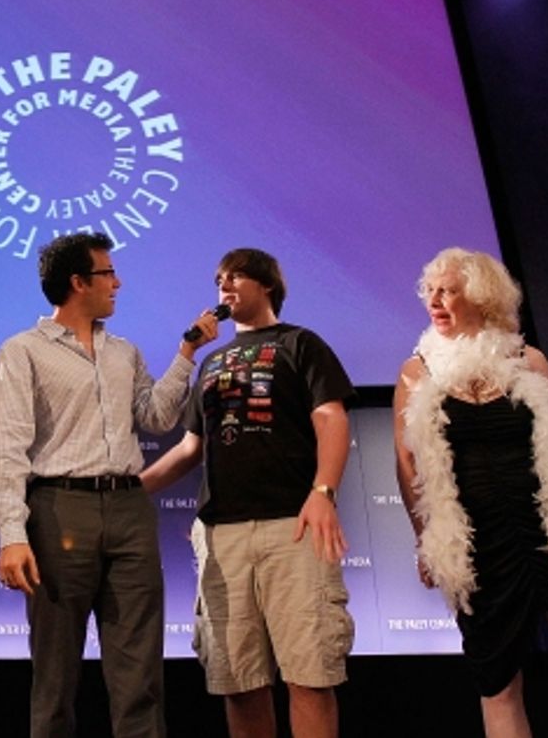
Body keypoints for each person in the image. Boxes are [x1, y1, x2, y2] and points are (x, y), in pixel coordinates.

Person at [393, 247, 548, 738]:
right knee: (500, 686)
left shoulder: (529, 360)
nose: (436, 299)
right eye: (431, 290)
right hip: (477, 540)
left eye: (449, 289)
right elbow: (407, 464)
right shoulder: (417, 371)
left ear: (482, 295)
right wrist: (426, 538)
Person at [0, 231, 219, 738]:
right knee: (56, 676)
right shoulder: (23, 351)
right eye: (107, 273)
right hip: (58, 510)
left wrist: (186, 354)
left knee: (141, 676)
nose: (118, 282)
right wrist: (12, 534)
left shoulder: (124, 352)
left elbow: (155, 418)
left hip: (129, 507)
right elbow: (7, 449)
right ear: (77, 283)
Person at [142, 248, 356, 738]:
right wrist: (132, 488)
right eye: (219, 278)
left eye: (236, 276)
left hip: (293, 526)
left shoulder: (300, 343)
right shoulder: (211, 361)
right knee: (238, 679)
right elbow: (190, 448)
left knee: (311, 673)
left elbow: (331, 418)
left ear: (266, 286)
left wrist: (323, 490)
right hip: (222, 533)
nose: (225, 285)